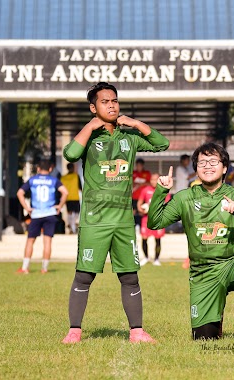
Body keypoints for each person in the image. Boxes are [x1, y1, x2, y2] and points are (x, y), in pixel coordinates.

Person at [61, 82, 169, 344]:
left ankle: (137, 332)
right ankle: (75, 331)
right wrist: (89, 127)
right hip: (94, 221)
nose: (111, 105)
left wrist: (135, 123)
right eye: (105, 101)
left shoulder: (128, 139)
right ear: (93, 107)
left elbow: (161, 144)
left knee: (130, 276)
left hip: (122, 221)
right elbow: (70, 153)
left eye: (115, 101)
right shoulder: (89, 138)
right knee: (84, 275)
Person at [148, 143, 234, 344]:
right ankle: (215, 315)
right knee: (204, 339)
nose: (207, 166)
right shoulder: (184, 198)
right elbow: (155, 222)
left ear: (225, 168)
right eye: (202, 162)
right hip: (202, 273)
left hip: (233, 263)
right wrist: (161, 191)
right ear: (196, 169)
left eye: (213, 161)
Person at [16, 159, 68, 274]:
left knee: (30, 240)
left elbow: (20, 193)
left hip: (36, 214)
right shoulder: (54, 180)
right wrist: (60, 205)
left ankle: (25, 268)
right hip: (50, 213)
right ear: (50, 169)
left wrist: (27, 207)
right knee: (47, 241)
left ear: (38, 169)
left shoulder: (33, 180)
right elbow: (65, 192)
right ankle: (44, 268)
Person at [137, 173, 170, 266]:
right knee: (144, 238)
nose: (153, 181)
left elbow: (167, 204)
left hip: (158, 219)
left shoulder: (163, 191)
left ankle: (156, 259)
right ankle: (146, 257)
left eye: (155, 179)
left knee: (158, 239)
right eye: (152, 179)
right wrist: (141, 209)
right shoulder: (145, 190)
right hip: (146, 219)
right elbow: (139, 202)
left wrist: (154, 208)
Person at [60, 163, 82, 234]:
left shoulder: (63, 178)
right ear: (72, 168)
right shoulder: (76, 176)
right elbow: (80, 188)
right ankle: (73, 226)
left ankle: (71, 225)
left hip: (67, 198)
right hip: (75, 198)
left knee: (69, 213)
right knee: (77, 213)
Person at [132, 158, 151, 231]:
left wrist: (143, 183)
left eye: (140, 165)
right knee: (132, 212)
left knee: (142, 212)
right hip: (134, 197)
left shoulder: (147, 173)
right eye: (137, 165)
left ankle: (142, 228)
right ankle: (133, 229)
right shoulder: (133, 173)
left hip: (143, 197)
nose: (138, 167)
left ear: (142, 166)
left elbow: (150, 182)